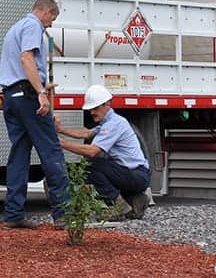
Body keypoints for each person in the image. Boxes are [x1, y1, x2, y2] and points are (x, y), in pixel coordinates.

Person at [0, 0, 70, 229]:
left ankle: (13, 214)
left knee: (19, 155)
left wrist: (38, 84)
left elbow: (18, 65)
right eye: (53, 18)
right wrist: (40, 91)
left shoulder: (15, 28)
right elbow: (26, 57)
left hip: (12, 96)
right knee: (51, 151)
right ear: (46, 11)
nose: (51, 24)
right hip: (28, 97)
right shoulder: (32, 26)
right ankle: (63, 214)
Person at [55, 84, 151, 220]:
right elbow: (87, 133)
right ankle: (136, 200)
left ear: (107, 104)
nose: (92, 112)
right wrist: (61, 130)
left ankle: (117, 206)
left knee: (91, 165)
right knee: (104, 167)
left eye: (95, 108)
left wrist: (61, 143)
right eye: (90, 109)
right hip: (136, 174)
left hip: (136, 175)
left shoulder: (114, 124)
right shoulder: (110, 122)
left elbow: (92, 151)